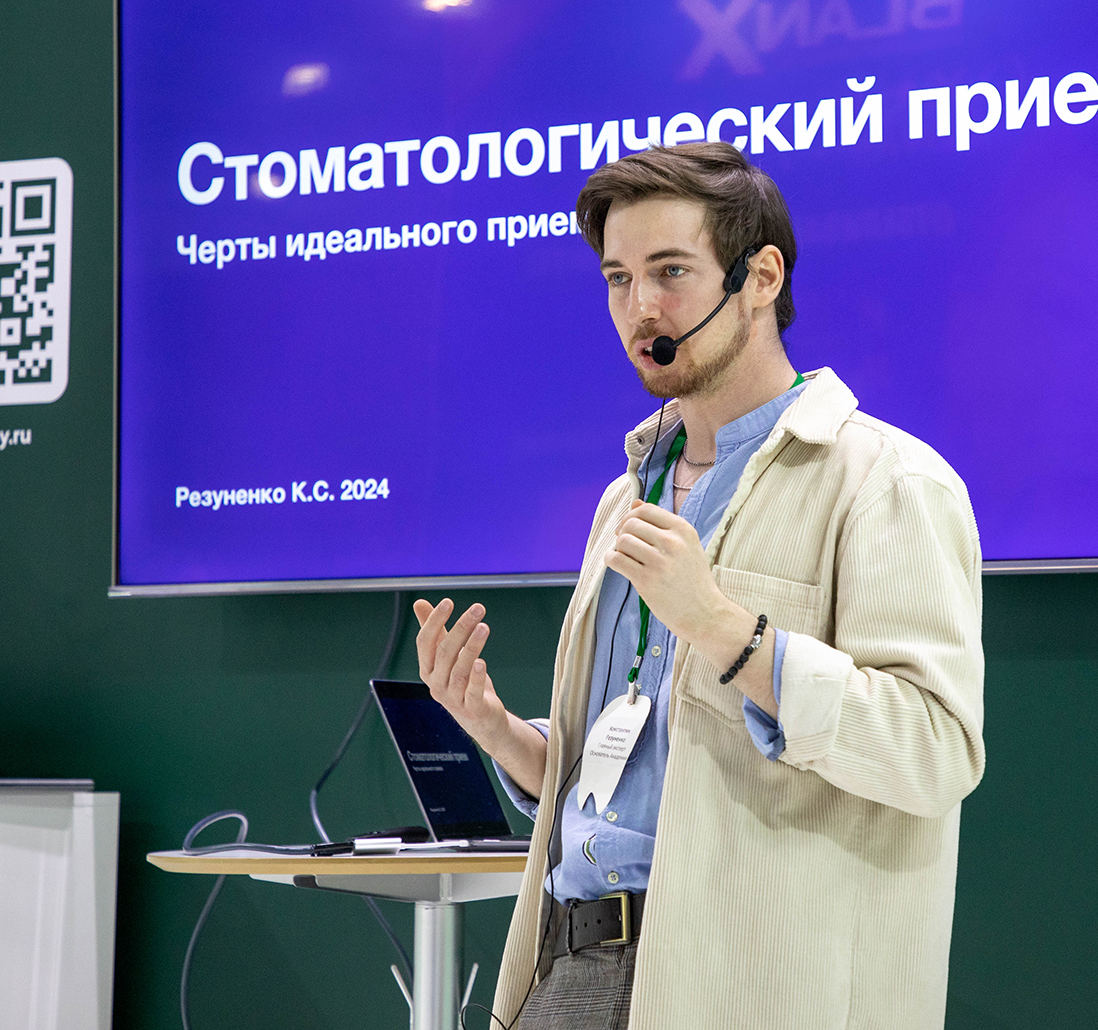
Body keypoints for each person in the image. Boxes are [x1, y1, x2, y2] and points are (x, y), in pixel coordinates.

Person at [412, 142, 985, 1030]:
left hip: (742, 984)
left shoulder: (887, 481)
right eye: (618, 278)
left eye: (670, 271)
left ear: (761, 277)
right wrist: (500, 732)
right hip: (568, 963)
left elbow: (934, 751)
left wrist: (724, 628)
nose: (640, 306)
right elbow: (636, 770)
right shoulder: (624, 497)